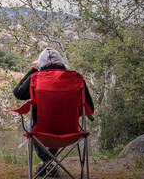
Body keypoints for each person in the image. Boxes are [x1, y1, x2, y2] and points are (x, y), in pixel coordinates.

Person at [13, 48, 94, 177]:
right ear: (61, 63)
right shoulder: (76, 78)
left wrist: (33, 69)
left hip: (41, 132)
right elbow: (89, 106)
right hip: (69, 131)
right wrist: (71, 115)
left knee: (31, 126)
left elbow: (18, 93)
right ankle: (50, 163)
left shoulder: (35, 78)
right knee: (58, 122)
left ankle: (45, 161)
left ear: (40, 65)